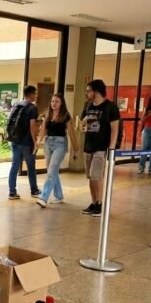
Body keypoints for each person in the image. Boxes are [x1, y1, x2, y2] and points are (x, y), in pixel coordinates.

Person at [80, 80, 120, 217]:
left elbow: (115, 128)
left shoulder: (110, 107)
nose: (87, 93)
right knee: (90, 177)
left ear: (96, 91)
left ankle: (100, 204)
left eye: (89, 90)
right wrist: (82, 124)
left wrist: (112, 147)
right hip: (88, 145)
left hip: (101, 147)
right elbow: (82, 123)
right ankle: (93, 202)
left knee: (96, 176)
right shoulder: (88, 105)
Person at [35, 93, 78, 207]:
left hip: (60, 144)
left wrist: (75, 147)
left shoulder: (66, 116)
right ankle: (59, 196)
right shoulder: (48, 114)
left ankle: (43, 197)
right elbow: (43, 129)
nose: (54, 103)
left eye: (57, 101)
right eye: (53, 101)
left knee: (52, 170)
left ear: (62, 103)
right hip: (48, 143)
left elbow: (71, 132)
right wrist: (39, 141)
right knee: (52, 170)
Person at [7, 85, 40, 200]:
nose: (36, 95)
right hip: (26, 142)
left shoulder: (17, 104)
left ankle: (12, 192)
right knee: (31, 166)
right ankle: (34, 190)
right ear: (31, 95)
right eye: (35, 93)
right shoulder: (32, 108)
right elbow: (32, 126)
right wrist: (35, 141)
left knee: (14, 166)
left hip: (15, 140)